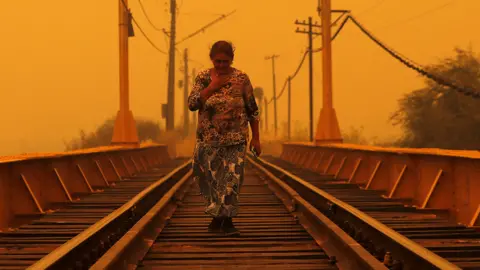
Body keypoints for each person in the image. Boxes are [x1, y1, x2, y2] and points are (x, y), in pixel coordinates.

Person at [188, 40, 261, 236]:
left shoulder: (242, 79)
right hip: (208, 141)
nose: (221, 65)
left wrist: (256, 139)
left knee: (232, 180)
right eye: (218, 61)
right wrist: (212, 87)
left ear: (232, 60)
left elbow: (252, 110)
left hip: (236, 140)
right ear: (212, 59)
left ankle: (227, 221)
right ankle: (216, 218)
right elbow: (192, 103)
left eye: (225, 61)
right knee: (212, 181)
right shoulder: (203, 78)